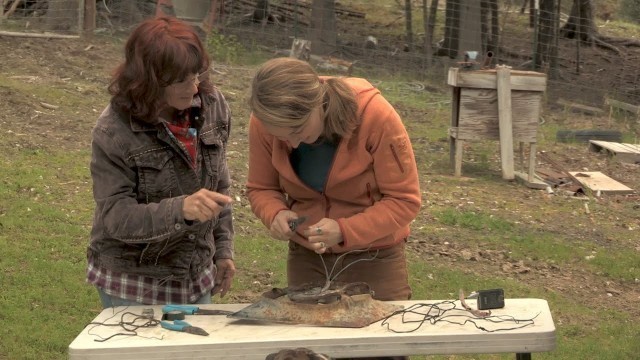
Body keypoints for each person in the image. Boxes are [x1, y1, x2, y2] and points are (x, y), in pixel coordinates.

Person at [247, 57, 421, 360]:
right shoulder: (264, 124)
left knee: (379, 350)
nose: (292, 142)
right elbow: (261, 188)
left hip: (375, 255)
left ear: (319, 105)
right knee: (307, 348)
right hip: (308, 256)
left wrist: (344, 229)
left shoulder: (374, 116)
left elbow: (404, 200)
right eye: (281, 136)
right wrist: (274, 213)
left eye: (298, 129)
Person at [86, 16, 235, 308]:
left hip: (195, 272)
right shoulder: (113, 131)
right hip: (134, 279)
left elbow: (220, 184)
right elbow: (116, 217)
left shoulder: (213, 105)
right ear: (150, 79)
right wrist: (180, 209)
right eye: (181, 80)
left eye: (196, 75)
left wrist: (223, 250)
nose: (194, 88)